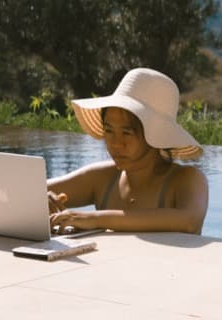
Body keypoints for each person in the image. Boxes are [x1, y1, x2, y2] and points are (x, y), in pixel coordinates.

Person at [47, 67, 209, 234]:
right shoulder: (101, 178)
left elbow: (189, 221)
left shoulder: (187, 179)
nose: (116, 143)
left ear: (156, 135)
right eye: (109, 130)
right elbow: (35, 189)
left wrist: (95, 219)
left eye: (127, 132)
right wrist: (42, 198)